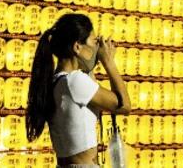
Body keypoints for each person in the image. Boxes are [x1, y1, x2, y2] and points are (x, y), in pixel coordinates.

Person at [25, 13, 130, 167]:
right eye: (94, 42)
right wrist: (109, 62)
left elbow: (109, 103)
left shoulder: (58, 81)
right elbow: (124, 106)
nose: (97, 48)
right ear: (77, 47)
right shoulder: (74, 81)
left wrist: (91, 66)